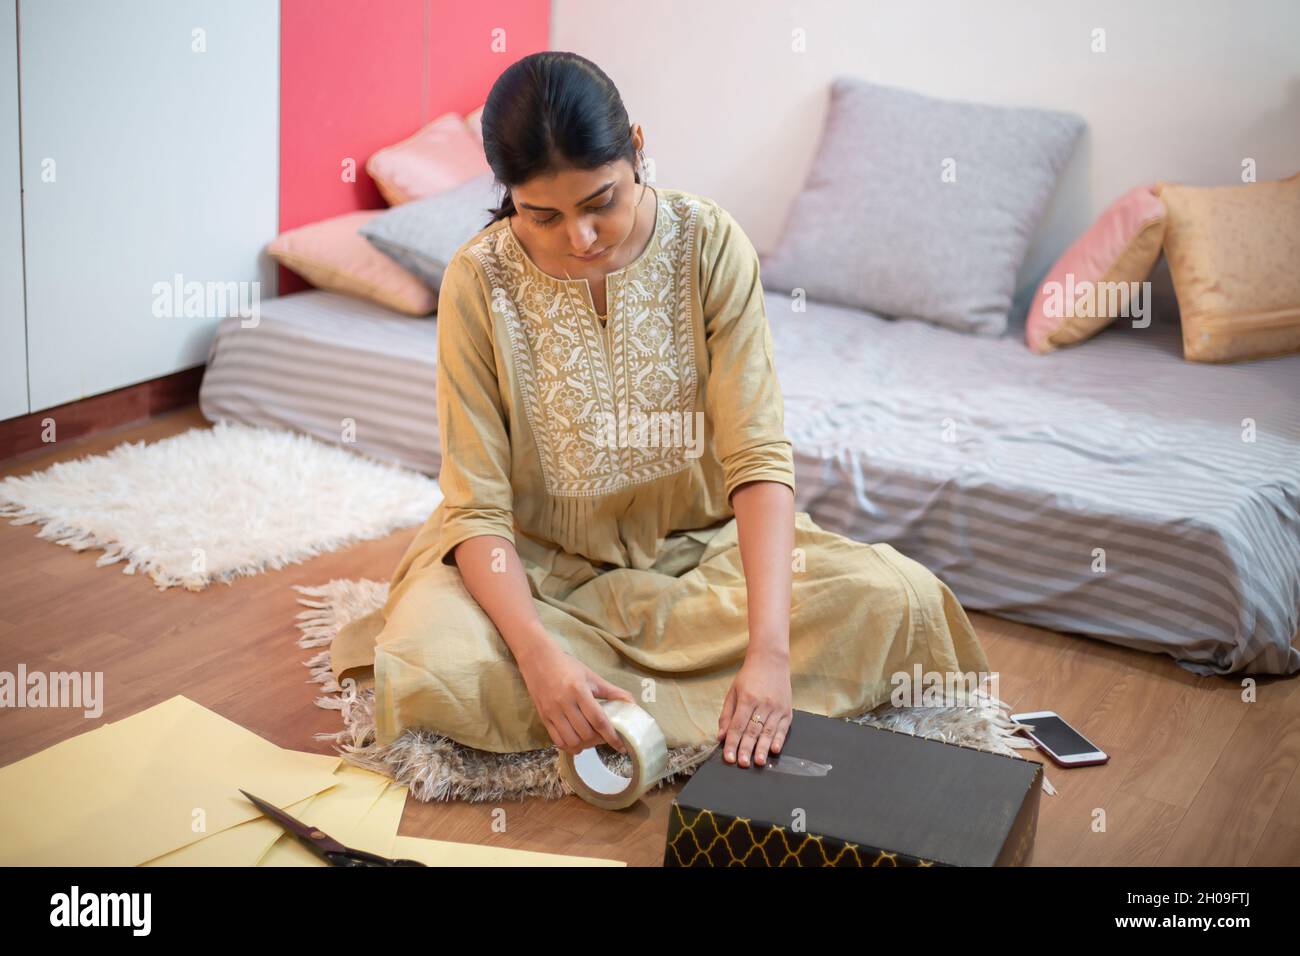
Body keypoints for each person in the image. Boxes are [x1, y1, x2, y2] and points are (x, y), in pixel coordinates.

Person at [330, 51, 991, 771]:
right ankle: (593, 689)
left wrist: (769, 652)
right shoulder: (475, 281)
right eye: (542, 215)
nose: (580, 239)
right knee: (433, 658)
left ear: (637, 148)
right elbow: (478, 508)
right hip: (536, 569)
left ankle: (642, 703)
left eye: (600, 202)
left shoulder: (709, 244)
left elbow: (757, 456)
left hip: (705, 558)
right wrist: (537, 655)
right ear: (507, 195)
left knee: (897, 598)